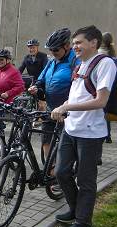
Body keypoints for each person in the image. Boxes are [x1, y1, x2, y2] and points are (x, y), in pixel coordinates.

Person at [51, 25, 116, 227]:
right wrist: (62, 106)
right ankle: (75, 209)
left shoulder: (104, 64)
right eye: (74, 43)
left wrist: (67, 107)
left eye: (79, 42)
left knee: (86, 180)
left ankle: (83, 222)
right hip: (71, 128)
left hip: (90, 134)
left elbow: (101, 100)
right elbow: (77, 96)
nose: (75, 46)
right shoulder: (80, 65)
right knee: (61, 172)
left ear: (93, 43)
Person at [28, 28, 78, 164]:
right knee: (46, 139)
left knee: (64, 146)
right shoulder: (52, 61)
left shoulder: (76, 61)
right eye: (50, 50)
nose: (52, 53)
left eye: (55, 50)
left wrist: (66, 108)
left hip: (67, 112)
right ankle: (51, 171)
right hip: (51, 109)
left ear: (67, 46)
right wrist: (36, 87)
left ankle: (62, 174)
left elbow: (79, 88)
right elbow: (41, 78)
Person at [98, 32, 116, 143]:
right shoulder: (112, 52)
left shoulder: (99, 53)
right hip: (111, 85)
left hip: (101, 84)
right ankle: (108, 135)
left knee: (100, 111)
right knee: (106, 111)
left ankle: (102, 135)